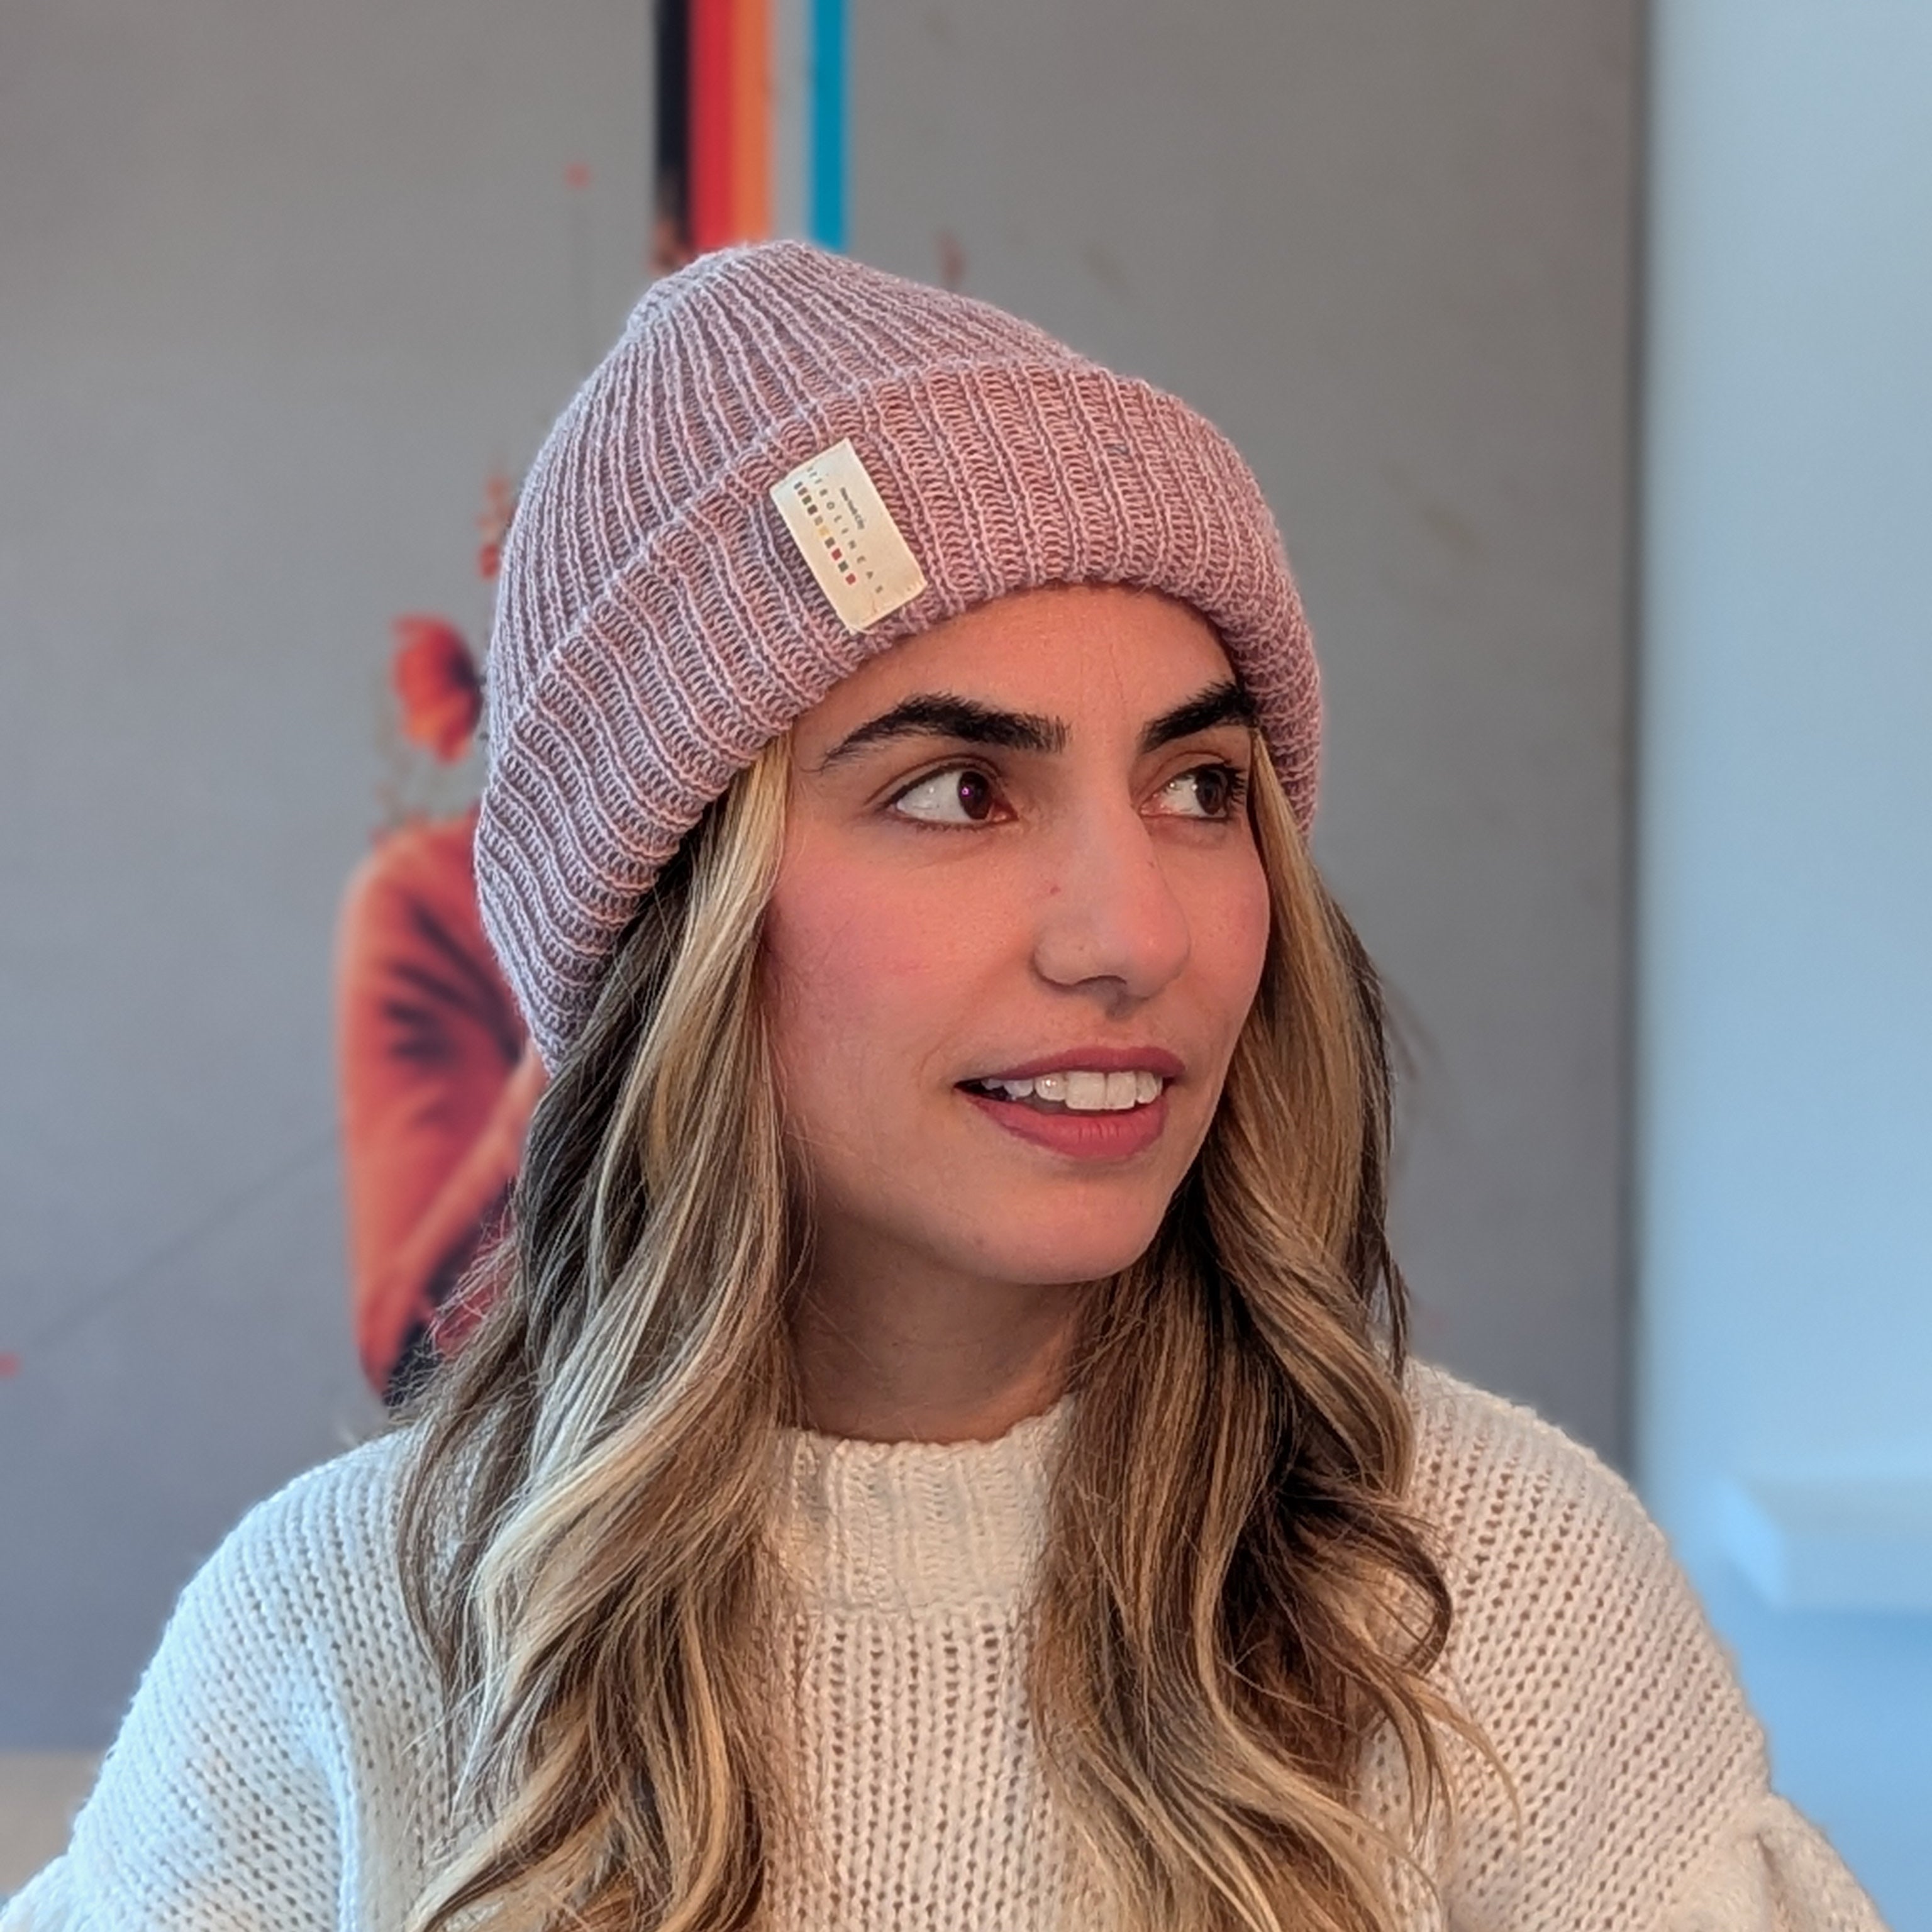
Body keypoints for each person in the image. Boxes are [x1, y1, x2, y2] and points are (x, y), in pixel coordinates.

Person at [3, 243, 1885, 1932]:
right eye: (958, 792)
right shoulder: (342, 1645)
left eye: (1198, 787)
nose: (1134, 931)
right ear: (677, 919)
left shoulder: (1484, 1589)